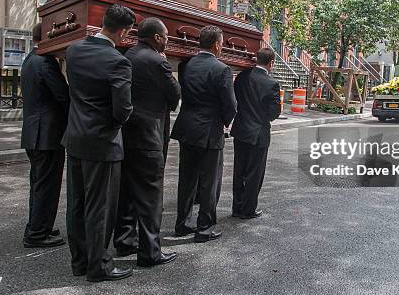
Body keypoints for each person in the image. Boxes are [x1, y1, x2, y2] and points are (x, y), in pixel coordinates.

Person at [63, 4, 135, 282]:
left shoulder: (74, 49)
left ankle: (79, 262)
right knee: (100, 207)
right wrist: (116, 124)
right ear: (123, 31)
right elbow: (122, 109)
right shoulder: (118, 61)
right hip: (103, 142)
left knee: (77, 204)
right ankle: (99, 266)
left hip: (75, 138)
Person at [114, 17, 180, 267]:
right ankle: (150, 251)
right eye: (165, 37)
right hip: (149, 136)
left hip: (126, 135)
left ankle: (124, 241)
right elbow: (174, 95)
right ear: (157, 38)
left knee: (127, 192)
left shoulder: (126, 55)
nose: (167, 41)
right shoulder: (157, 61)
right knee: (151, 196)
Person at [171, 25, 237, 243]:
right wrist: (225, 123)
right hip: (210, 130)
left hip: (187, 127)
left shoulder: (185, 65)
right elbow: (231, 105)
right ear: (217, 44)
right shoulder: (222, 69)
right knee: (210, 181)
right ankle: (204, 228)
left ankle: (182, 224)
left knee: (187, 179)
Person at [20, 23, 69, 248]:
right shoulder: (45, 62)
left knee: (38, 184)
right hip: (47, 135)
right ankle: (38, 233)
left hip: (34, 133)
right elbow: (62, 95)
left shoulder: (30, 59)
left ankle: (39, 225)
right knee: (47, 185)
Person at [230, 48, 281, 219]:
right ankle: (248, 209)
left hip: (240, 129)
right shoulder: (271, 84)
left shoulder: (241, 77)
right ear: (271, 63)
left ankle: (237, 207)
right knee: (254, 173)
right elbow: (274, 113)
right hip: (258, 133)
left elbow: (234, 99)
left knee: (239, 170)